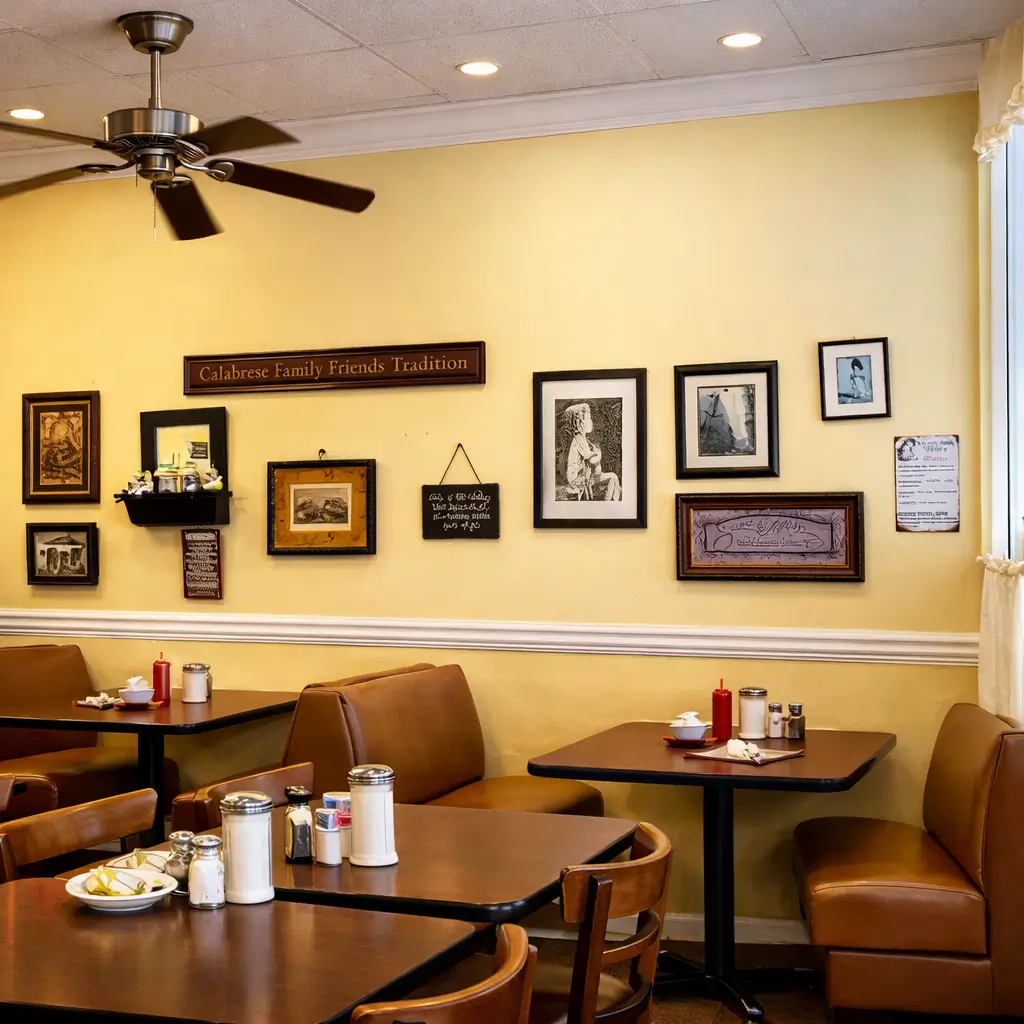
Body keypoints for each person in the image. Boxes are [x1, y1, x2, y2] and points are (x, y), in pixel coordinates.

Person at [562, 403, 621, 501]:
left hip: (586, 476)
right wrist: (598, 453)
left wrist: (595, 453)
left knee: (613, 478)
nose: (591, 422)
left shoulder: (583, 438)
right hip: (578, 479)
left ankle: (611, 501)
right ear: (580, 422)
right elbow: (591, 460)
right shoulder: (579, 439)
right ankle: (611, 502)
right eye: (589, 418)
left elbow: (592, 461)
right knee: (613, 477)